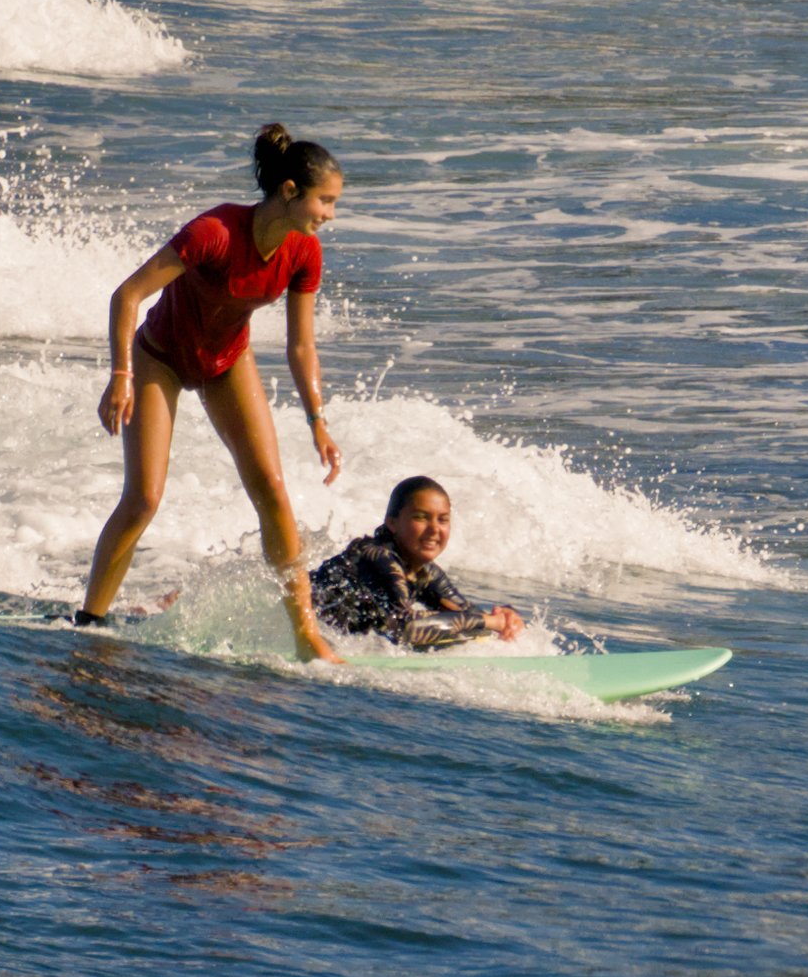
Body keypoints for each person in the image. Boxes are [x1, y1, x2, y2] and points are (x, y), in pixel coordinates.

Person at [78, 123, 344, 661]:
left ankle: (306, 634)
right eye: (325, 201)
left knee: (272, 487)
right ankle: (89, 622)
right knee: (145, 496)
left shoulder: (303, 253)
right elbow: (127, 296)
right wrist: (122, 375)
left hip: (228, 362)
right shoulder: (216, 231)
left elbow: (301, 348)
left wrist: (318, 421)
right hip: (161, 360)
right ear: (289, 191)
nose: (330, 215)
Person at [310, 475, 525, 649]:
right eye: (421, 517)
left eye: (443, 519)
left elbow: (467, 613)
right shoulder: (378, 558)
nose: (434, 529)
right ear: (392, 522)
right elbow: (405, 627)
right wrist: (490, 622)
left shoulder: (426, 572)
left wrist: (505, 617)